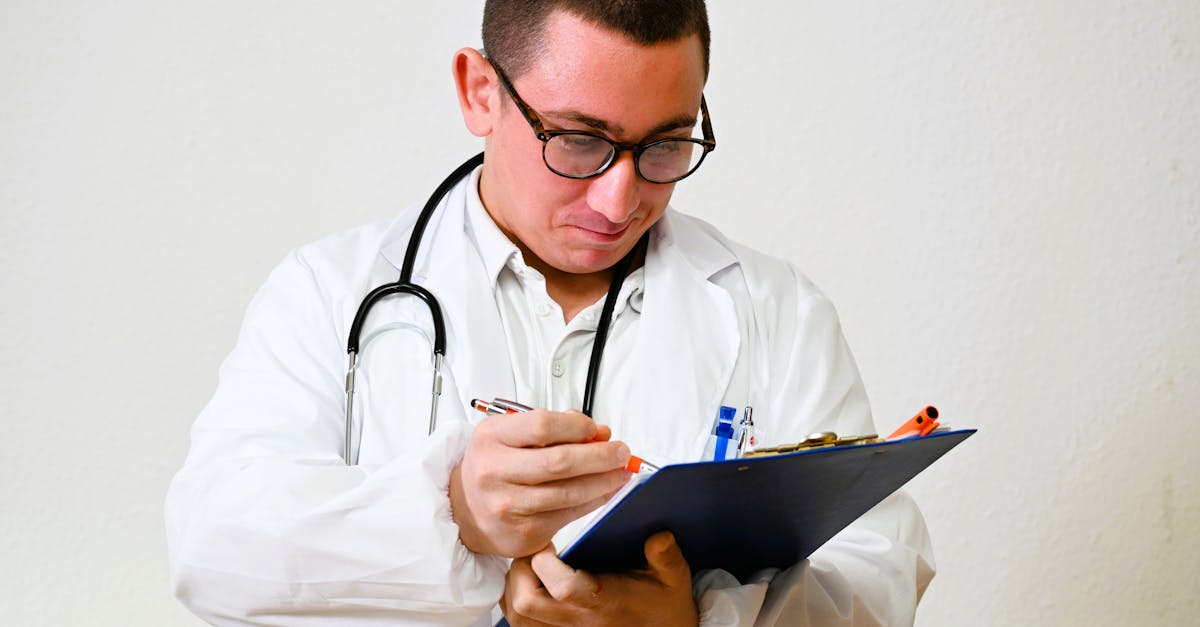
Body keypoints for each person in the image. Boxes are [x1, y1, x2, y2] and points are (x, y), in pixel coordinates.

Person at [165, 1, 935, 625]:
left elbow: (881, 571)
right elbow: (211, 549)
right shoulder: (328, 292)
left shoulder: (775, 309)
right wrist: (455, 515)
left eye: (666, 145)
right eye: (578, 140)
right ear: (480, 92)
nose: (619, 198)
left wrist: (695, 623)